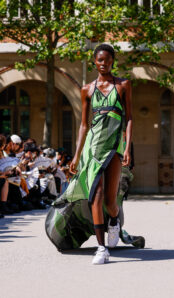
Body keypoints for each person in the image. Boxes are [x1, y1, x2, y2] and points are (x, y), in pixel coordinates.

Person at [46, 43, 134, 265]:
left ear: (113, 60)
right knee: (95, 194)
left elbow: (129, 118)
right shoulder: (87, 89)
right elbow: (84, 125)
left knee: (109, 201)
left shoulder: (123, 86)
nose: (103, 64)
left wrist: (128, 147)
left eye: (107, 60)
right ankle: (102, 248)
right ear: (94, 62)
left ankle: (114, 220)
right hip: (92, 146)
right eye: (99, 60)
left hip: (114, 145)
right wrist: (76, 155)